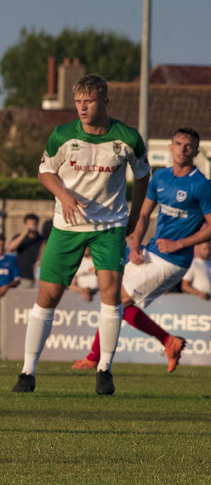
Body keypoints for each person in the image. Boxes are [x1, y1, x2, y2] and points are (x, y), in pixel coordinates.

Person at [13, 74, 150, 395]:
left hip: (109, 226)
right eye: (77, 102)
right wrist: (63, 195)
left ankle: (104, 370)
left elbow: (143, 175)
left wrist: (135, 216)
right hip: (67, 226)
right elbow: (45, 171)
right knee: (46, 297)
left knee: (110, 294)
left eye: (88, 101)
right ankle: (27, 372)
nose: (82, 108)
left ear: (104, 100)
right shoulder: (62, 135)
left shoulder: (127, 137)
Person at [71, 127, 211, 373]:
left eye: (188, 146)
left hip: (174, 260)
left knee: (115, 300)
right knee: (113, 298)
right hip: (151, 250)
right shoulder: (160, 177)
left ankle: (95, 357)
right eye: (178, 143)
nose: (182, 149)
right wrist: (135, 241)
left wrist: (179, 243)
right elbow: (144, 213)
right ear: (170, 147)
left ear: (196, 151)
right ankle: (169, 341)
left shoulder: (201, 184)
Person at [7, 213, 45, 288]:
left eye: (33, 224)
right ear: (25, 224)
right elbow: (10, 248)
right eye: (29, 224)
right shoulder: (19, 237)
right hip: (23, 277)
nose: (31, 226)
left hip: (38, 278)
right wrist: (25, 233)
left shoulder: (41, 239)